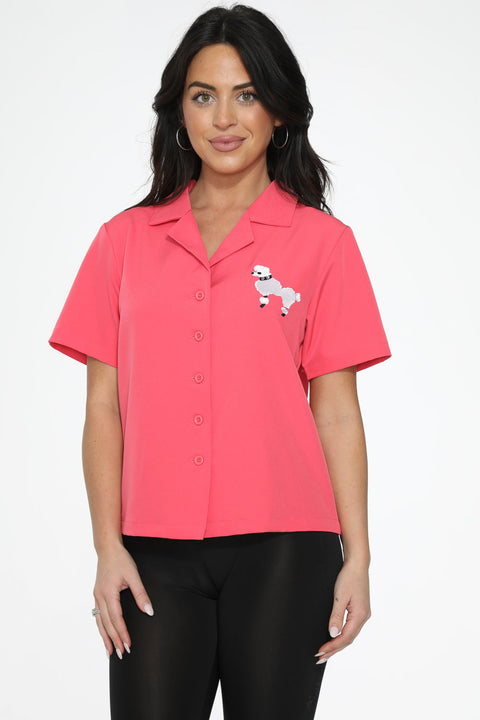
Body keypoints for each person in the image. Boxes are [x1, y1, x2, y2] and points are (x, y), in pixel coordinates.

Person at [48, 4, 392, 719]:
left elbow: (335, 412)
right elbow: (103, 407)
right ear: (180, 110)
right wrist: (107, 547)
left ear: (279, 111)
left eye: (247, 94)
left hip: (286, 547)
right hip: (152, 550)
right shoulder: (123, 241)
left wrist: (358, 556)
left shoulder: (323, 244)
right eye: (204, 96)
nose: (225, 118)